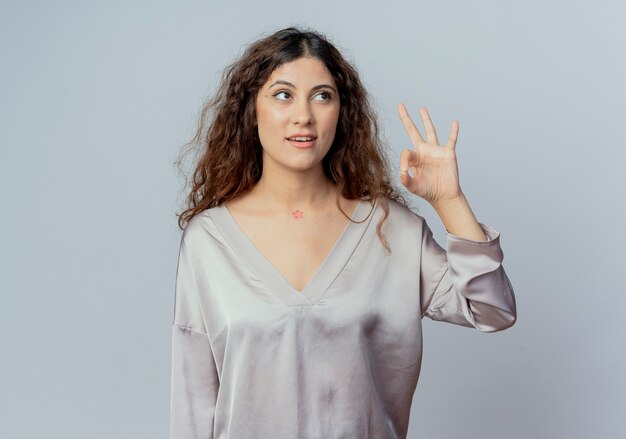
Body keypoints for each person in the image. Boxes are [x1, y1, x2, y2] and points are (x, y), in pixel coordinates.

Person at [170, 26, 517, 439]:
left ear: (342, 111)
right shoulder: (208, 240)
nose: (304, 115)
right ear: (251, 110)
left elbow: (493, 310)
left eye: (322, 95)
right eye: (283, 94)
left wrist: (449, 201)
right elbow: (193, 403)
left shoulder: (392, 231)